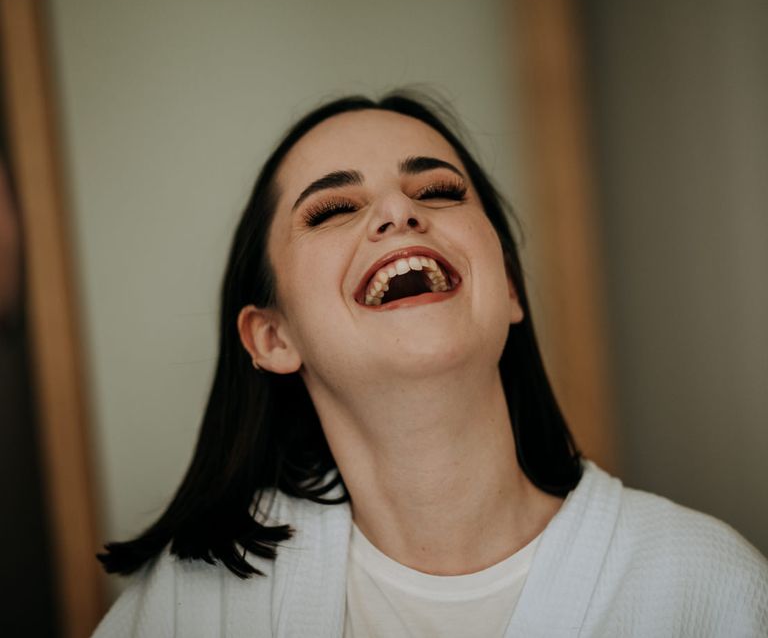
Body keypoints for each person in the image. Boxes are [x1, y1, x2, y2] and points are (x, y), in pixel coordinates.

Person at [92, 93, 768, 637]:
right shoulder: (192, 606)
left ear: (506, 287)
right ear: (271, 336)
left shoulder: (705, 586)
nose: (397, 210)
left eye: (440, 191)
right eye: (334, 208)